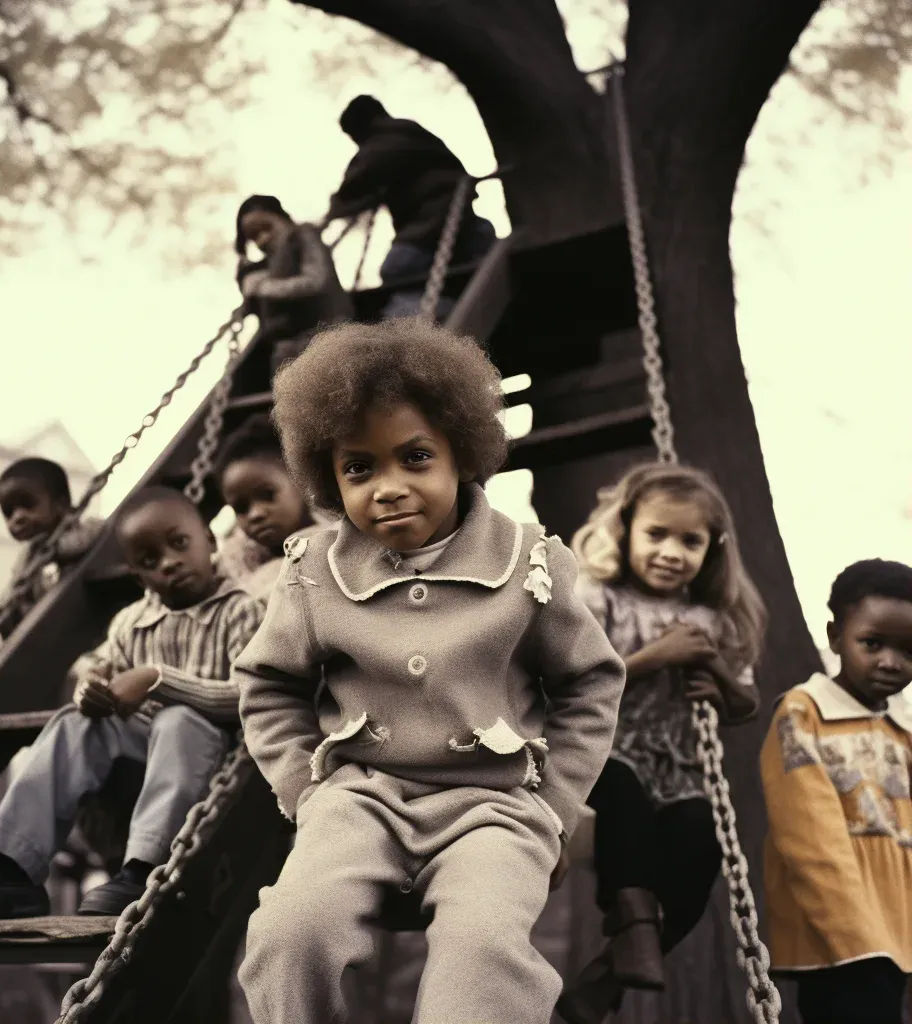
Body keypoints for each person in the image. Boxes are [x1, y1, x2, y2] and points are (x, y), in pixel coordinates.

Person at [232, 318, 626, 1024]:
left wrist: (557, 806)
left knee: (482, 954)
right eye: (360, 467)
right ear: (329, 473)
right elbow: (268, 682)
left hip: (495, 805)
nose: (388, 486)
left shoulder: (529, 562)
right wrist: (303, 787)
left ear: (462, 455)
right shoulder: (314, 572)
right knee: (289, 933)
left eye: (415, 457)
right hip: (359, 798)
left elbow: (591, 683)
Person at [0, 487, 264, 930]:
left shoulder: (242, 612)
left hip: (211, 758)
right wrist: (91, 691)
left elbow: (248, 698)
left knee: (178, 719)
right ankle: (11, 869)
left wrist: (157, 679)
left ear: (210, 542)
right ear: (138, 577)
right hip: (141, 753)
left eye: (180, 544)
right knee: (74, 722)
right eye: (151, 560)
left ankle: (144, 870)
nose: (170, 563)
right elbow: (98, 670)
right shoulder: (129, 622)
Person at [559, 463, 766, 1024]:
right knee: (624, 801)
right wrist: (660, 657)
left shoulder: (710, 618)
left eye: (690, 541)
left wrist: (717, 675)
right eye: (657, 534)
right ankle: (633, 923)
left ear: (712, 548)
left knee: (700, 847)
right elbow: (578, 683)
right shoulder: (599, 597)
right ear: (625, 530)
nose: (672, 551)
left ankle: (607, 976)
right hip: (604, 748)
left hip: (678, 767)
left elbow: (744, 705)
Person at [760, 559, 912, 1024]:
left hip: (900, 924)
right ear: (835, 637)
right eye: (872, 643)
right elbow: (808, 836)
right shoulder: (804, 713)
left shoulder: (903, 727)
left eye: (909, 650)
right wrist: (854, 934)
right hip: (838, 933)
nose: (891, 661)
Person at [0, 458, 104, 701]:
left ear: (61, 504)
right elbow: (13, 590)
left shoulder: (85, 528)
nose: (17, 517)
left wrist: (55, 545)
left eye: (28, 506)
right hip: (32, 632)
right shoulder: (29, 554)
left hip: (68, 634)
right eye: (8, 512)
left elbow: (83, 541)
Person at [326, 95, 496, 320]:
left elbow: (357, 181)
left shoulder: (386, 140)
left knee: (397, 270)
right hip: (454, 220)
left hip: (431, 225)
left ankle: (426, 314)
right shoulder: (410, 134)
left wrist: (337, 205)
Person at [235, 194, 353, 392]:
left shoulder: (303, 235)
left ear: (282, 218)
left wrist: (264, 287)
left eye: (266, 227)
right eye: (254, 236)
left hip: (326, 335)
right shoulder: (268, 267)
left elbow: (317, 280)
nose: (263, 239)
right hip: (288, 350)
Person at [215, 412, 325, 605]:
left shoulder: (338, 545)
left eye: (267, 495)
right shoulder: (232, 574)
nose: (256, 514)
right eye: (241, 508)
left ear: (301, 481)